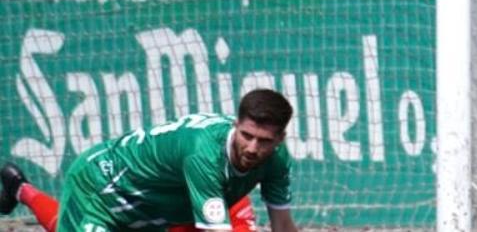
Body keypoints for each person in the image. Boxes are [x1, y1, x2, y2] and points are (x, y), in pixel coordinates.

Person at [0, 89, 299, 232]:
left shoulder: (276, 161)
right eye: (247, 135)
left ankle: (19, 189)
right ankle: (22, 190)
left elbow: (283, 226)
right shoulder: (203, 155)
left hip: (156, 207)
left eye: (264, 141)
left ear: (280, 140)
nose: (252, 148)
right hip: (101, 189)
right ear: (236, 124)